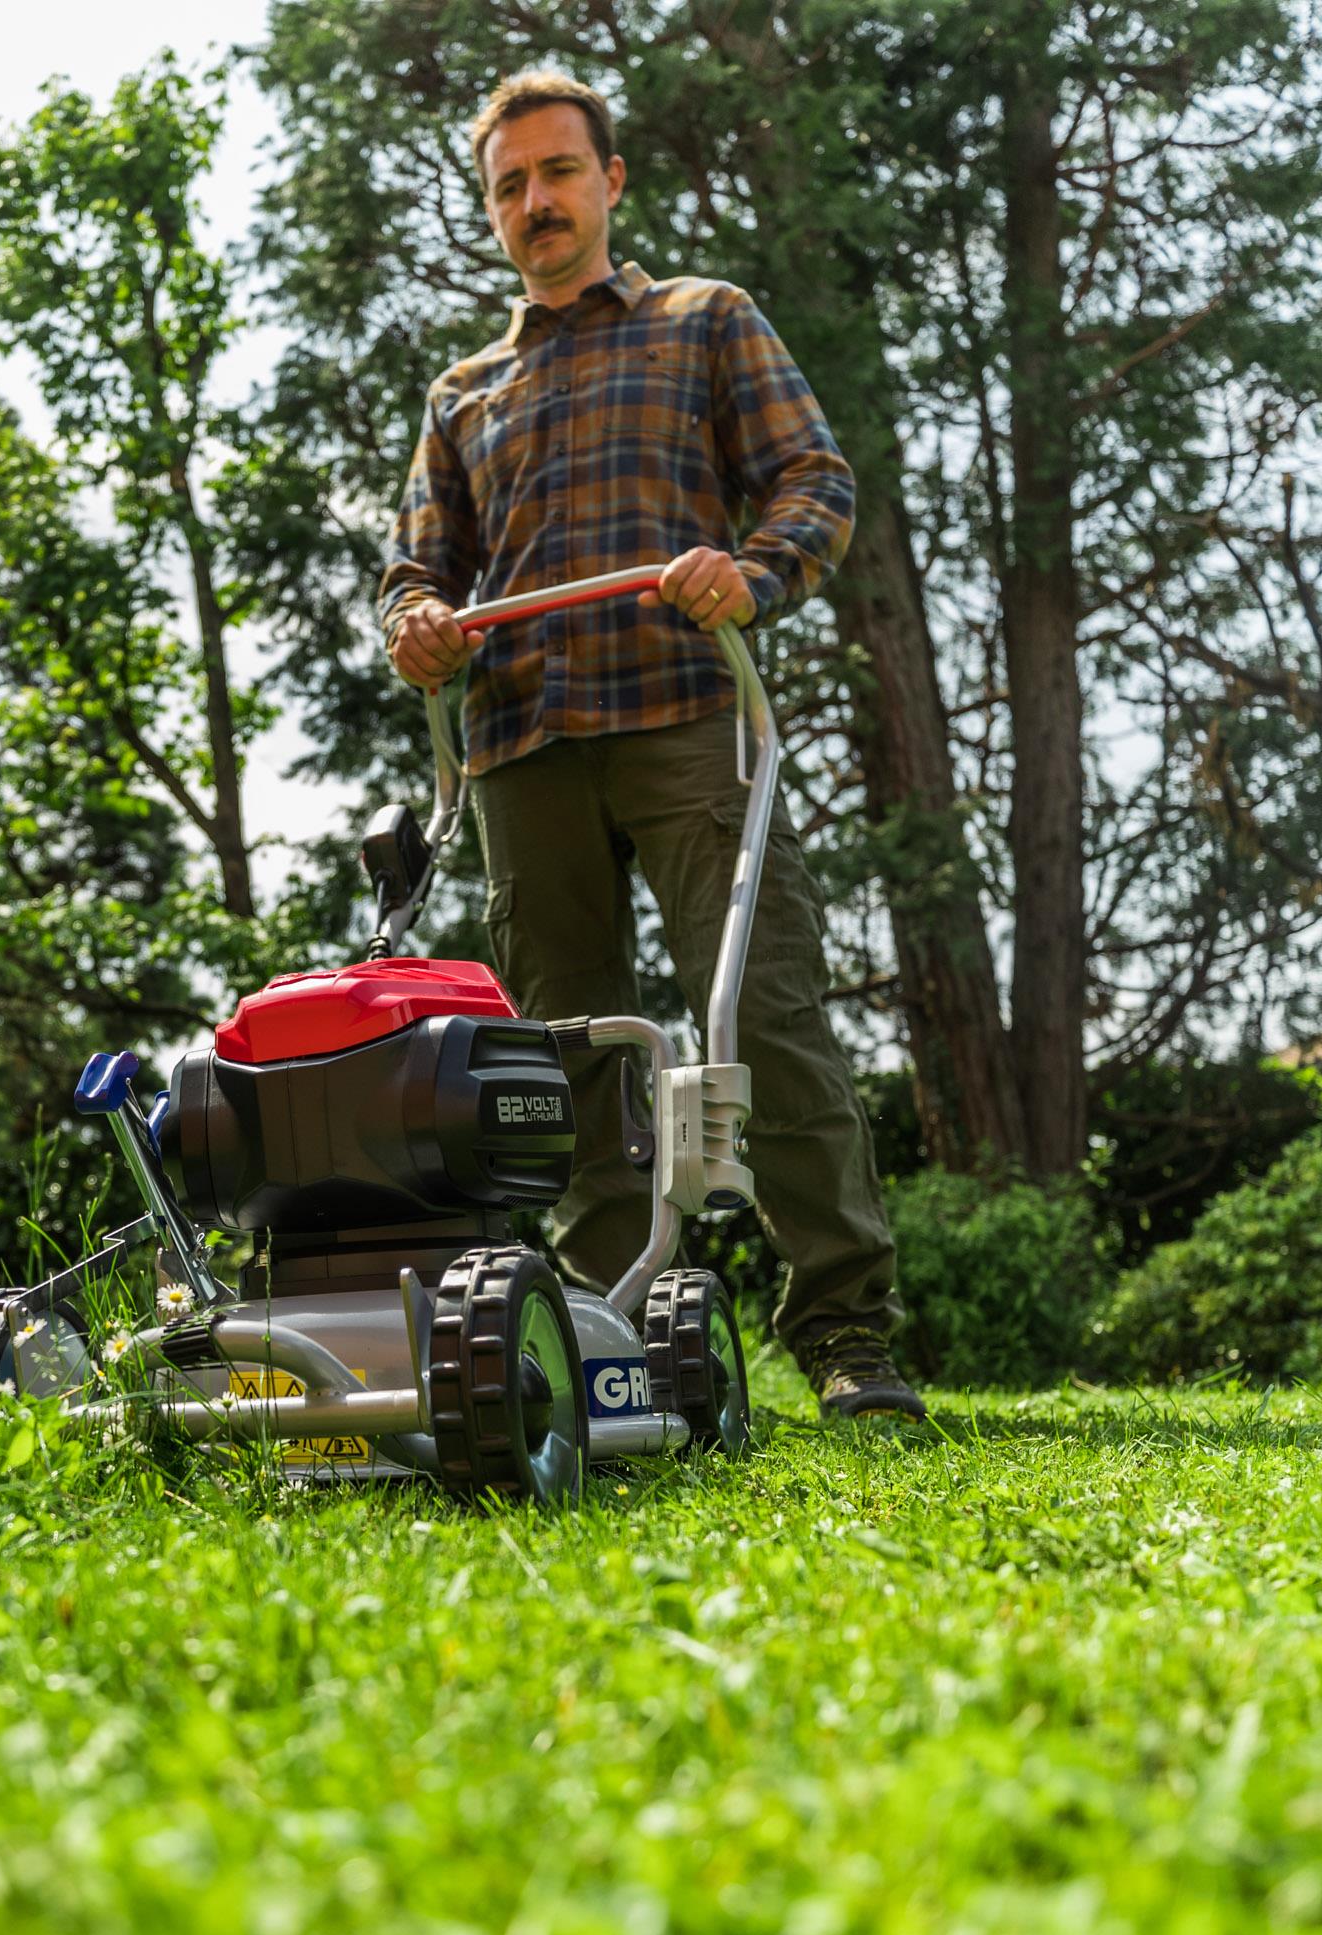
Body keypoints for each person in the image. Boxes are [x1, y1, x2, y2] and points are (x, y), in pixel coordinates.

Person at [378, 69, 922, 1420]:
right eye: (510, 185)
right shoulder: (462, 392)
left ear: (610, 180)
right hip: (521, 746)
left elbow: (814, 479)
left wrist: (753, 573)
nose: (537, 202)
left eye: (558, 172)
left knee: (763, 1019)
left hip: (683, 714)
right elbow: (416, 572)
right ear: (491, 209)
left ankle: (847, 1337)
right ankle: (621, 1348)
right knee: (563, 1060)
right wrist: (419, 626)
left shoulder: (705, 319)